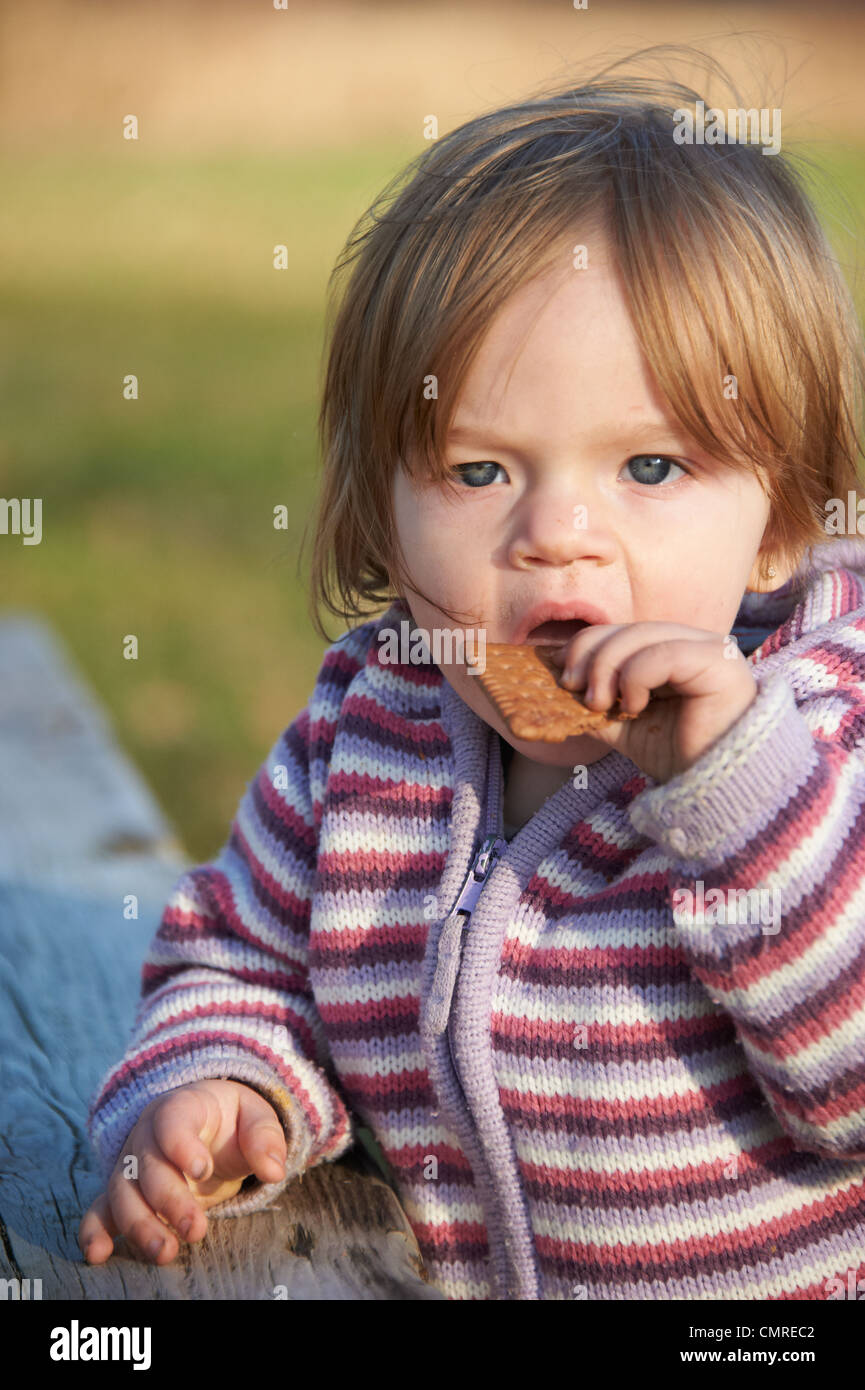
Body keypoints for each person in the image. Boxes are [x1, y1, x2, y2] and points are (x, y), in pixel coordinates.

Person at [78, 54, 865, 1300]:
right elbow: (244, 955)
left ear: (779, 521)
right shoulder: (368, 734)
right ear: (382, 515)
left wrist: (739, 789)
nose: (557, 531)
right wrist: (222, 1080)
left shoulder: (821, 746)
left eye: (650, 469)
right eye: (480, 470)